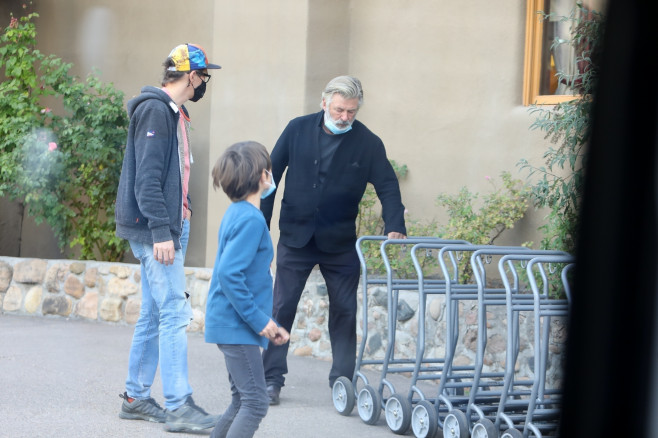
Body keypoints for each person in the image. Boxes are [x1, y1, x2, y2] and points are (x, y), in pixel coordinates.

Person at [260, 75, 407, 405]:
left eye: (351, 112)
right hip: (295, 237)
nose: (344, 117)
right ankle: (271, 379)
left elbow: (388, 185)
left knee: (345, 310)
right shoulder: (296, 129)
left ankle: (343, 380)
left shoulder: (368, 142)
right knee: (281, 307)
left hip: (340, 242)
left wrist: (394, 223)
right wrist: (261, 226)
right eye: (339, 110)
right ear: (324, 103)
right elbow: (269, 176)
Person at [114, 43, 221, 433]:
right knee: (175, 313)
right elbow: (146, 180)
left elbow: (172, 173)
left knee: (156, 313)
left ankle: (135, 397)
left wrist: (183, 206)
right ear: (190, 75)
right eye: (203, 75)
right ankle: (179, 406)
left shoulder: (170, 112)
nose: (204, 82)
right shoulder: (156, 110)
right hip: (156, 230)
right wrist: (161, 230)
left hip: (168, 224)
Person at [205, 141, 290, 438]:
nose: (271, 174)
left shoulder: (237, 212)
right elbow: (230, 275)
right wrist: (261, 321)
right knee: (255, 402)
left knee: (243, 400)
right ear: (261, 176)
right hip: (237, 325)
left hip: (234, 323)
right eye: (269, 169)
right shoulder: (251, 220)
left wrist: (268, 324)